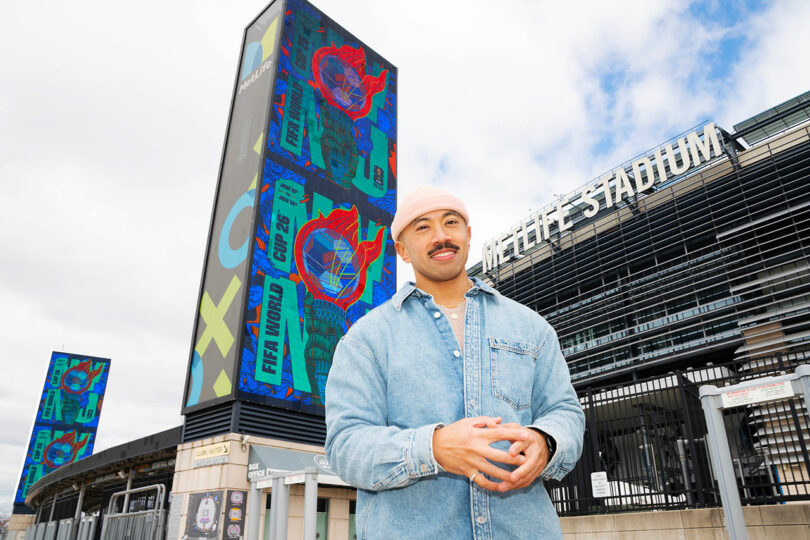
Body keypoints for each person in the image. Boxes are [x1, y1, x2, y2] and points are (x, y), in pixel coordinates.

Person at [325, 186, 585, 539]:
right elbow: (345, 446)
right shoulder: (366, 339)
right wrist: (432, 448)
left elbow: (564, 411)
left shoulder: (532, 327)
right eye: (422, 227)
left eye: (451, 223)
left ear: (468, 234)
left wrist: (546, 441)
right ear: (401, 250)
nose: (441, 236)